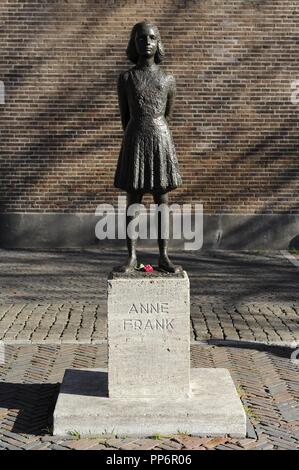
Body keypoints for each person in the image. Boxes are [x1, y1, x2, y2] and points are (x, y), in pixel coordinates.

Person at [114, 21, 182, 273]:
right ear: (134, 43)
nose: (147, 42)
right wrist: (136, 135)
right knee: (133, 199)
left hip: (159, 137)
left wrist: (155, 132)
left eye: (152, 37)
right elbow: (125, 116)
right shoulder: (126, 78)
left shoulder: (168, 79)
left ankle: (164, 255)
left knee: (161, 199)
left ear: (158, 42)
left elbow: (167, 114)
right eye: (142, 38)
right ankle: (131, 255)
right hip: (135, 137)